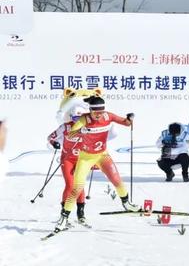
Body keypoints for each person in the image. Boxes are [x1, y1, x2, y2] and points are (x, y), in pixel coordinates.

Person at [54, 96, 139, 231]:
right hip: (86, 158)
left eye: (101, 112)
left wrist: (129, 119)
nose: (99, 115)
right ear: (90, 111)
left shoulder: (108, 116)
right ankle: (64, 218)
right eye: (96, 113)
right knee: (77, 188)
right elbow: (70, 135)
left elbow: (126, 123)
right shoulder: (84, 119)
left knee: (117, 180)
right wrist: (80, 131)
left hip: (102, 156)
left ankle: (127, 203)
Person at [47, 103, 90, 222]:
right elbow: (50, 137)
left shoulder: (88, 128)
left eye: (80, 119)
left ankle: (80, 212)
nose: (78, 121)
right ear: (71, 117)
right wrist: (54, 143)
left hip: (82, 161)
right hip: (67, 160)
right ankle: (64, 212)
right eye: (75, 118)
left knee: (79, 185)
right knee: (70, 185)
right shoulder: (65, 127)